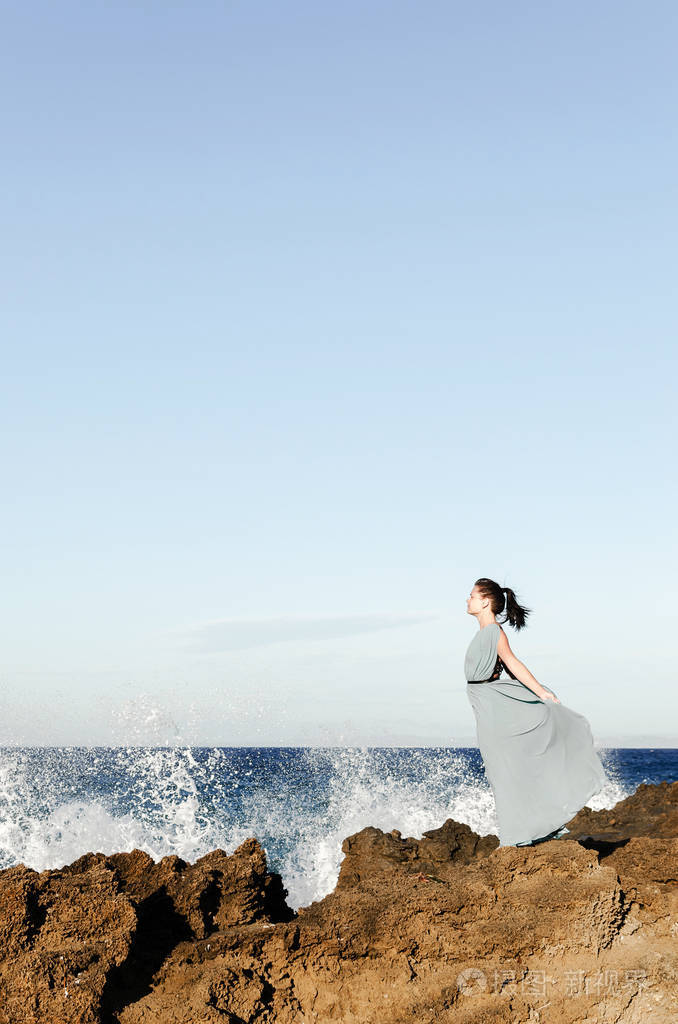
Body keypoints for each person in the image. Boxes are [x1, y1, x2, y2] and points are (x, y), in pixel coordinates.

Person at [465, 577, 608, 847]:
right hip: (487, 706)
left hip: (495, 708)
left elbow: (513, 664)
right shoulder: (484, 633)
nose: (467, 599)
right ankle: (530, 829)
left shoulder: (494, 632)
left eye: (472, 595)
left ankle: (521, 835)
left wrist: (541, 693)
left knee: (506, 770)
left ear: (485, 601)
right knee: (504, 770)